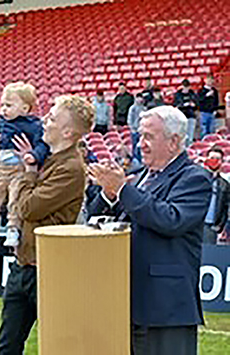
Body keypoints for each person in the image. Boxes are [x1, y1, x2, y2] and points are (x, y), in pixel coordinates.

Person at [87, 105, 211, 354]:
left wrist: (122, 190)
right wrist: (110, 194)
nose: (140, 143)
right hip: (125, 300)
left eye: (148, 137)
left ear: (174, 141)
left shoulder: (194, 178)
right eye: (140, 135)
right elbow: (95, 215)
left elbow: (170, 219)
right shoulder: (137, 175)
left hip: (165, 307)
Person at [0, 95, 94, 354]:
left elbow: (29, 207)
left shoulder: (71, 168)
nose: (44, 122)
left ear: (68, 132)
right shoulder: (46, 158)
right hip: (24, 265)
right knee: (7, 347)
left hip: (49, 272)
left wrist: (28, 173)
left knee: (57, 345)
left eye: (52, 118)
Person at [0, 82, 49, 247]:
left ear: (24, 108)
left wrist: (33, 155)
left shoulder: (34, 126)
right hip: (1, 168)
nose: (3, 109)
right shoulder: (1, 123)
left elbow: (42, 145)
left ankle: (13, 228)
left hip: (20, 168)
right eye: (2, 105)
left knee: (14, 199)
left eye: (8, 105)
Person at [203, 146, 229, 245]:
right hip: (195, 224)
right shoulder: (197, 179)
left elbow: (225, 207)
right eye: (212, 158)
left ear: (222, 162)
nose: (214, 161)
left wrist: (220, 226)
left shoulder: (224, 185)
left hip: (211, 226)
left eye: (217, 159)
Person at [174, 79, 199, 146]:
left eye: (187, 87)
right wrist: (183, 105)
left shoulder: (192, 94)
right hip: (181, 116)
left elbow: (197, 104)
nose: (186, 88)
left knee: (190, 135)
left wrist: (193, 105)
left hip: (191, 115)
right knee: (182, 135)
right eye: (185, 87)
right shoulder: (178, 94)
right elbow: (175, 105)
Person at [128, 93, 147, 162]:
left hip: (142, 131)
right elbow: (130, 119)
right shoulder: (132, 108)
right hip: (134, 131)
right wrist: (132, 128)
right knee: (135, 146)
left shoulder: (144, 108)